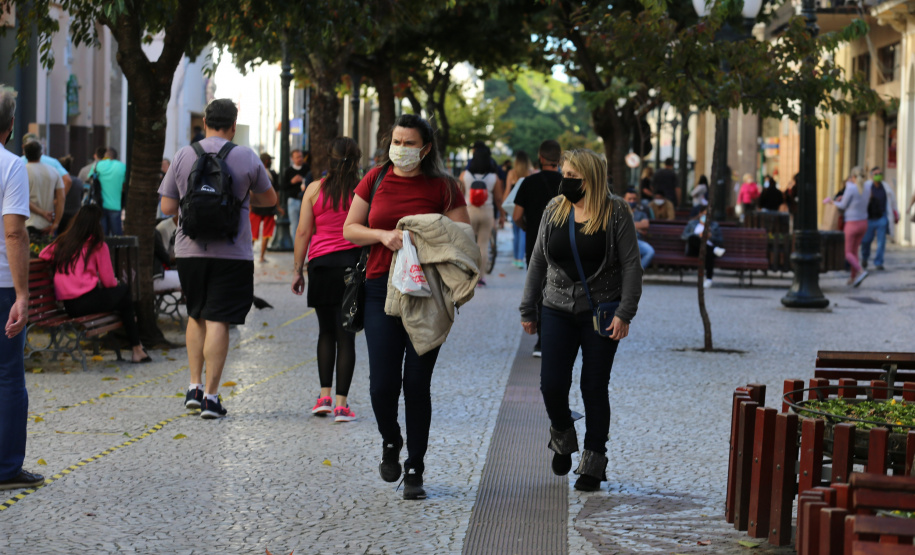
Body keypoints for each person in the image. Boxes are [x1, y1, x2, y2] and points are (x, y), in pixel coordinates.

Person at [343, 113, 471, 500]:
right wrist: (383, 235)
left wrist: (427, 238)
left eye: (409, 143)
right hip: (381, 287)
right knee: (382, 385)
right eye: (395, 141)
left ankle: (415, 467)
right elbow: (351, 228)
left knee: (416, 384)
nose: (400, 149)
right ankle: (390, 441)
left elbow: (463, 242)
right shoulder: (375, 178)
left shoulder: (445, 187)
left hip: (428, 294)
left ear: (425, 148)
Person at [519, 148, 642, 492]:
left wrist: (625, 312)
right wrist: (528, 309)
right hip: (556, 307)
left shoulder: (616, 211)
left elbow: (632, 264)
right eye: (565, 175)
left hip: (601, 312)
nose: (566, 181)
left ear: (593, 178)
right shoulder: (554, 209)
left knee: (593, 386)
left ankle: (593, 463)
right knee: (551, 385)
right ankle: (562, 436)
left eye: (574, 177)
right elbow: (538, 261)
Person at [158, 98, 277, 419]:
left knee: (195, 314)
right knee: (218, 319)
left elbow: (168, 208)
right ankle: (212, 397)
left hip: (189, 249)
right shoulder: (246, 156)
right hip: (233, 251)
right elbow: (270, 199)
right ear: (233, 126)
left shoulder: (184, 154)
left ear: (206, 121)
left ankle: (193, 388)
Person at [292, 137, 362, 423]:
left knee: (325, 333)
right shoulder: (362, 191)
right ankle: (342, 405)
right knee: (347, 336)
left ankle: (323, 397)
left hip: (320, 267)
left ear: (329, 159)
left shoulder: (313, 190)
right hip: (352, 268)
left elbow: (302, 233)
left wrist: (298, 269)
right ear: (356, 160)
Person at [0, 85, 45, 491]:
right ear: (11, 126)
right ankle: (6, 468)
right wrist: (22, 294)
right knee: (8, 375)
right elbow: (14, 235)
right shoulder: (10, 165)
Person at [39, 205, 150, 362]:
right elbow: (108, 282)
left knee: (124, 299)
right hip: (87, 301)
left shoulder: (64, 243)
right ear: (95, 225)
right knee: (124, 292)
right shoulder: (97, 246)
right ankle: (137, 347)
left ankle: (137, 347)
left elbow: (43, 254)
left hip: (70, 306)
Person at [513, 139, 563, 358]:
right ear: (560, 159)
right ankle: (559, 337)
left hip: (535, 244)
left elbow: (516, 216)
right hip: (563, 244)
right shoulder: (567, 182)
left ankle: (542, 341)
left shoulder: (528, 183)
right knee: (561, 288)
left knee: (539, 290)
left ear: (540, 158)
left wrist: (529, 227)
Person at [460, 143, 504, 284]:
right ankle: (481, 277)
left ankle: (467, 274)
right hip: (487, 212)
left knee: (468, 243)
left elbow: (459, 196)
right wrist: (502, 215)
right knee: (483, 244)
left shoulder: (464, 175)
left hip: (469, 211)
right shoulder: (493, 177)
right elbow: (498, 198)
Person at [825, 166, 870, 287]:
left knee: (847, 252)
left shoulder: (851, 188)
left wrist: (832, 202)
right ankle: (853, 277)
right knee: (854, 251)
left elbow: (843, 206)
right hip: (864, 223)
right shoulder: (867, 187)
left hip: (852, 223)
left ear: (853, 177)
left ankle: (860, 271)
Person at [23, 140, 64, 237]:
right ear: (41, 154)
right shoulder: (53, 171)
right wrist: (56, 223)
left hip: (27, 224)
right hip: (48, 225)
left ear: (25, 154)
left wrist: (42, 213)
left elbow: (21, 198)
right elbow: (61, 198)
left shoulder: (22, 171)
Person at [861, 166, 897, 271]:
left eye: (880, 174)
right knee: (866, 241)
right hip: (869, 218)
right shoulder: (866, 186)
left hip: (882, 217)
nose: (878, 176)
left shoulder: (885, 187)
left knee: (881, 242)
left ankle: (879, 262)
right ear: (871, 175)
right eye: (876, 174)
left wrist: (896, 213)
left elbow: (893, 201)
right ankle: (865, 257)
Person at [682, 205, 725, 288]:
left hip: (707, 250)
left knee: (708, 252)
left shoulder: (714, 226)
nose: (705, 217)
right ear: (700, 214)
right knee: (693, 238)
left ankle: (708, 280)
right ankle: (714, 250)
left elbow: (720, 240)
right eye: (704, 214)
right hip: (694, 250)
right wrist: (698, 235)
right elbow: (683, 236)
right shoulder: (692, 223)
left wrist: (710, 236)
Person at [88, 147, 127, 235]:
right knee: (117, 237)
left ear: (105, 156)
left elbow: (90, 179)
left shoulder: (97, 165)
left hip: (100, 204)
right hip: (116, 205)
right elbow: (125, 183)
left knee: (102, 236)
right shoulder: (122, 166)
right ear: (116, 156)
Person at [505, 150, 533, 269]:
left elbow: (507, 190)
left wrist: (503, 204)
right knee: (523, 233)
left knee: (516, 232)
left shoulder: (512, 173)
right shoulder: (530, 173)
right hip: (526, 206)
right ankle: (520, 258)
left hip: (513, 206)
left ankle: (517, 258)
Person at [251, 152, 280, 263]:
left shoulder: (255, 172)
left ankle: (249, 255)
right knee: (266, 233)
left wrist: (249, 205)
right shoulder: (273, 174)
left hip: (256, 206)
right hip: (269, 207)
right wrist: (278, 205)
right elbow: (276, 191)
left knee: (252, 234)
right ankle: (261, 257)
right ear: (267, 161)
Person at [623, 188, 654, 269]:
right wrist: (638, 227)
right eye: (629, 199)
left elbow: (646, 225)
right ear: (624, 200)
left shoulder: (641, 213)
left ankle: (637, 273)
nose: (632, 201)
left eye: (634, 199)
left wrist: (627, 225)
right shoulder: (620, 212)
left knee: (650, 251)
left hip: (637, 241)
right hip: (622, 241)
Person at [283, 149, 310, 235]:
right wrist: (292, 182)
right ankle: (296, 247)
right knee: (294, 225)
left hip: (305, 201)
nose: (300, 159)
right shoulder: (288, 171)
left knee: (306, 225)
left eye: (301, 156)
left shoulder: (307, 168)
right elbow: (283, 187)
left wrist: (303, 180)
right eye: (297, 157)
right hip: (293, 200)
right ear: (292, 159)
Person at [57, 156, 84, 233]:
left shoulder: (58, 181)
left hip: (60, 215)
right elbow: (81, 197)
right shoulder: (78, 181)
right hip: (74, 215)